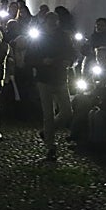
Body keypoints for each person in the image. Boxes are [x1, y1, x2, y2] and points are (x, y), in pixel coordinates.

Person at [31, 12, 76, 162]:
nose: (52, 24)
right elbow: (30, 57)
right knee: (48, 114)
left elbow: (72, 52)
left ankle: (47, 131)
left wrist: (69, 61)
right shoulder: (38, 38)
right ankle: (50, 147)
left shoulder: (63, 37)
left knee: (67, 111)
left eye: (54, 21)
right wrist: (42, 62)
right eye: (49, 21)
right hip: (44, 78)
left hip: (60, 77)